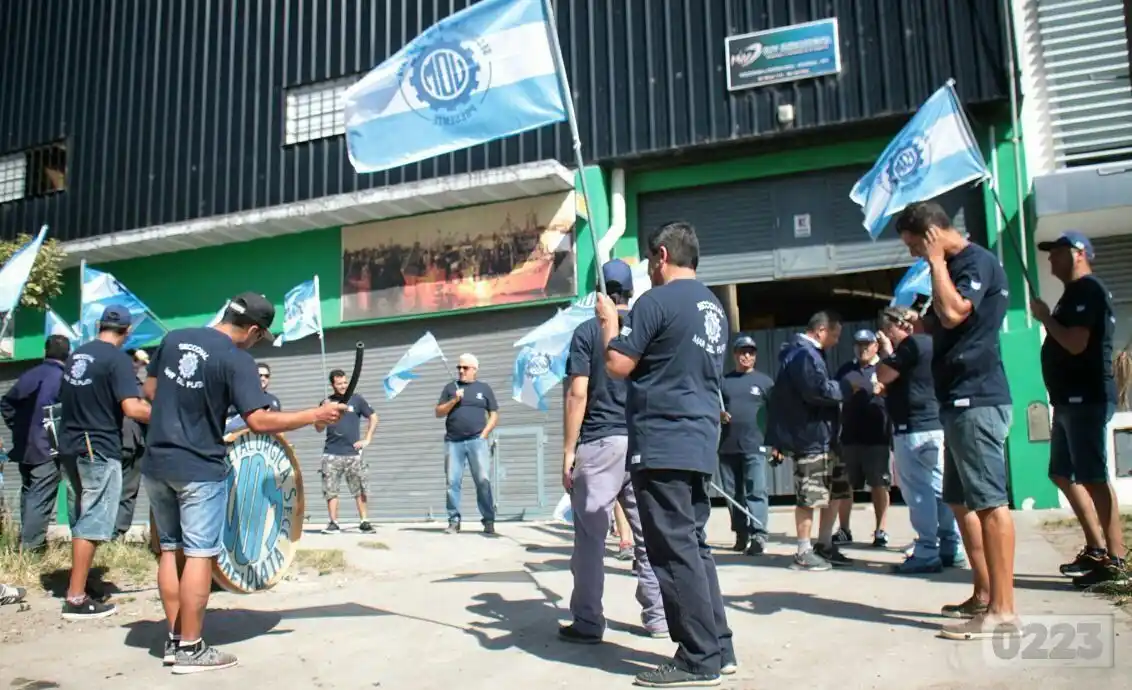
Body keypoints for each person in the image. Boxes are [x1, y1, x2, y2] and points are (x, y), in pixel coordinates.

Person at [141, 292, 345, 674]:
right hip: (199, 466)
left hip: (156, 462)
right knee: (200, 554)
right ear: (252, 329)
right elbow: (260, 422)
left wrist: (184, 401)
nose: (255, 342)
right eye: (259, 336)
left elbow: (150, 391)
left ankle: (173, 638)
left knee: (170, 550)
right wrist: (315, 414)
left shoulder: (174, 338)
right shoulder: (237, 360)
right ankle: (191, 648)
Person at [601, 221, 737, 688]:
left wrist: (608, 327)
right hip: (699, 436)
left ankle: (698, 659)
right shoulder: (713, 306)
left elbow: (618, 365)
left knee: (672, 551)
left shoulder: (653, 302)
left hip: (662, 440)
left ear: (661, 256)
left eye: (648, 261)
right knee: (694, 546)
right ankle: (719, 644)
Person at [895, 201, 1017, 640]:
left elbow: (954, 312)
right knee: (963, 502)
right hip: (957, 401)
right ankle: (984, 595)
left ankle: (1004, 610)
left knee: (989, 504)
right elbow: (940, 322)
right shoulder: (955, 267)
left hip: (978, 399)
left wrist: (933, 263)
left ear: (930, 234)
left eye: (914, 245)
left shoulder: (973, 261)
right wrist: (917, 323)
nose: (913, 254)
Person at [559, 259, 667, 645]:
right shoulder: (648, 328)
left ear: (599, 291)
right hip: (644, 442)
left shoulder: (587, 332)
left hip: (600, 443)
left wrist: (568, 451)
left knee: (590, 537)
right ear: (632, 290)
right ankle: (658, 618)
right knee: (649, 536)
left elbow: (577, 393)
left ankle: (588, 621)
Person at [1032, 232, 1126, 587]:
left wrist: (1045, 318)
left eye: (1057, 253)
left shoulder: (1089, 290)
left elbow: (1075, 343)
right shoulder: (1072, 295)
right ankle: (1096, 548)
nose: (1051, 259)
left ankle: (1116, 562)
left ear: (1079, 254)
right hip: (1067, 399)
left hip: (1086, 397)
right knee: (1062, 473)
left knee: (1092, 477)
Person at [57, 306, 153, 620]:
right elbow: (132, 408)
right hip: (97, 445)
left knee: (81, 518)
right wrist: (168, 415)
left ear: (100, 326)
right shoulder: (116, 360)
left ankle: (81, 583)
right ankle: (75, 598)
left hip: (70, 445)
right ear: (127, 332)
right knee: (94, 521)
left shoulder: (77, 355)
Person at [874, 307, 963, 575]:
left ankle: (926, 551)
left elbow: (884, 375)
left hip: (912, 428)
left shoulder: (911, 346)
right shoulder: (936, 343)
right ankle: (952, 545)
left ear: (894, 328)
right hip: (934, 424)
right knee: (939, 489)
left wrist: (888, 352)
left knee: (919, 492)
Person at [766, 311, 854, 572]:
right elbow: (815, 391)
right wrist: (849, 388)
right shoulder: (802, 355)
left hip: (826, 437)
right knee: (809, 496)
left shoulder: (809, 354)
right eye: (835, 335)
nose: (837, 341)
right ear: (821, 331)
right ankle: (803, 551)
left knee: (836, 491)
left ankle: (824, 545)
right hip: (811, 438)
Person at [1, 334, 71, 550]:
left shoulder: (29, 375)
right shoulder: (63, 379)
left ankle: (28, 545)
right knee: (39, 497)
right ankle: (29, 550)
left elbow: (7, 403)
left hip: (25, 448)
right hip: (47, 449)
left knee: (30, 494)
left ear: (44, 351)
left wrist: (19, 429)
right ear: (68, 355)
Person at [832, 329, 893, 548]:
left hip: (877, 437)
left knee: (879, 485)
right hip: (849, 437)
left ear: (876, 346)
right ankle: (844, 530)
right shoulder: (846, 370)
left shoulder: (885, 367)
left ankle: (881, 530)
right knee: (845, 485)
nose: (863, 348)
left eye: (867, 344)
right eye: (859, 344)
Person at [717, 334, 774, 556]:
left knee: (756, 491)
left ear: (755, 356)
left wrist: (776, 444)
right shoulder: (724, 382)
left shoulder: (765, 382)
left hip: (754, 446)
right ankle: (741, 533)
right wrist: (718, 414)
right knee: (733, 494)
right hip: (727, 446)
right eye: (742, 352)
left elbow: (775, 414)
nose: (746, 356)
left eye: (750, 352)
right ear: (735, 355)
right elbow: (712, 406)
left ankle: (759, 535)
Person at [435, 353, 499, 535]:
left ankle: (488, 520)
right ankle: (454, 521)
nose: (461, 371)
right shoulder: (450, 388)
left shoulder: (484, 388)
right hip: (453, 442)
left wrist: (484, 434)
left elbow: (494, 414)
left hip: (476, 441)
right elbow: (438, 412)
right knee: (452, 482)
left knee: (483, 481)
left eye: (465, 368)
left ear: (475, 370)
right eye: (459, 367)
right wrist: (454, 400)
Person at [316, 368, 378, 534]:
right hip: (331, 453)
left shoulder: (356, 399)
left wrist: (367, 438)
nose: (343, 386)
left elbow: (373, 416)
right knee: (331, 490)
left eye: (345, 382)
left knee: (360, 489)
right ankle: (333, 523)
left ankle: (364, 521)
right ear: (332, 385)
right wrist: (323, 413)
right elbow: (318, 428)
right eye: (339, 383)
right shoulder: (327, 402)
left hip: (353, 453)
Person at [115, 349, 151, 540]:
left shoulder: (140, 385)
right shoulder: (115, 383)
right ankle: (107, 534)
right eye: (135, 361)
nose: (137, 365)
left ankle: (118, 532)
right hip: (116, 443)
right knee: (112, 490)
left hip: (137, 444)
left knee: (129, 490)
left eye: (139, 362)